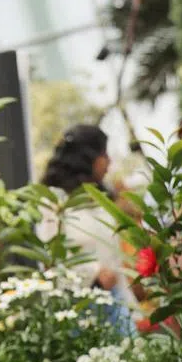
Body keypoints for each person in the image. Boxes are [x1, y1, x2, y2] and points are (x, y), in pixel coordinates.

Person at [36, 125, 133, 305]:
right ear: (88, 158)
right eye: (104, 154)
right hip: (75, 304)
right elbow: (50, 258)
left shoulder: (101, 201)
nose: (109, 161)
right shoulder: (54, 201)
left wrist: (131, 308)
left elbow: (115, 262)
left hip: (113, 302)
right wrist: (94, 273)